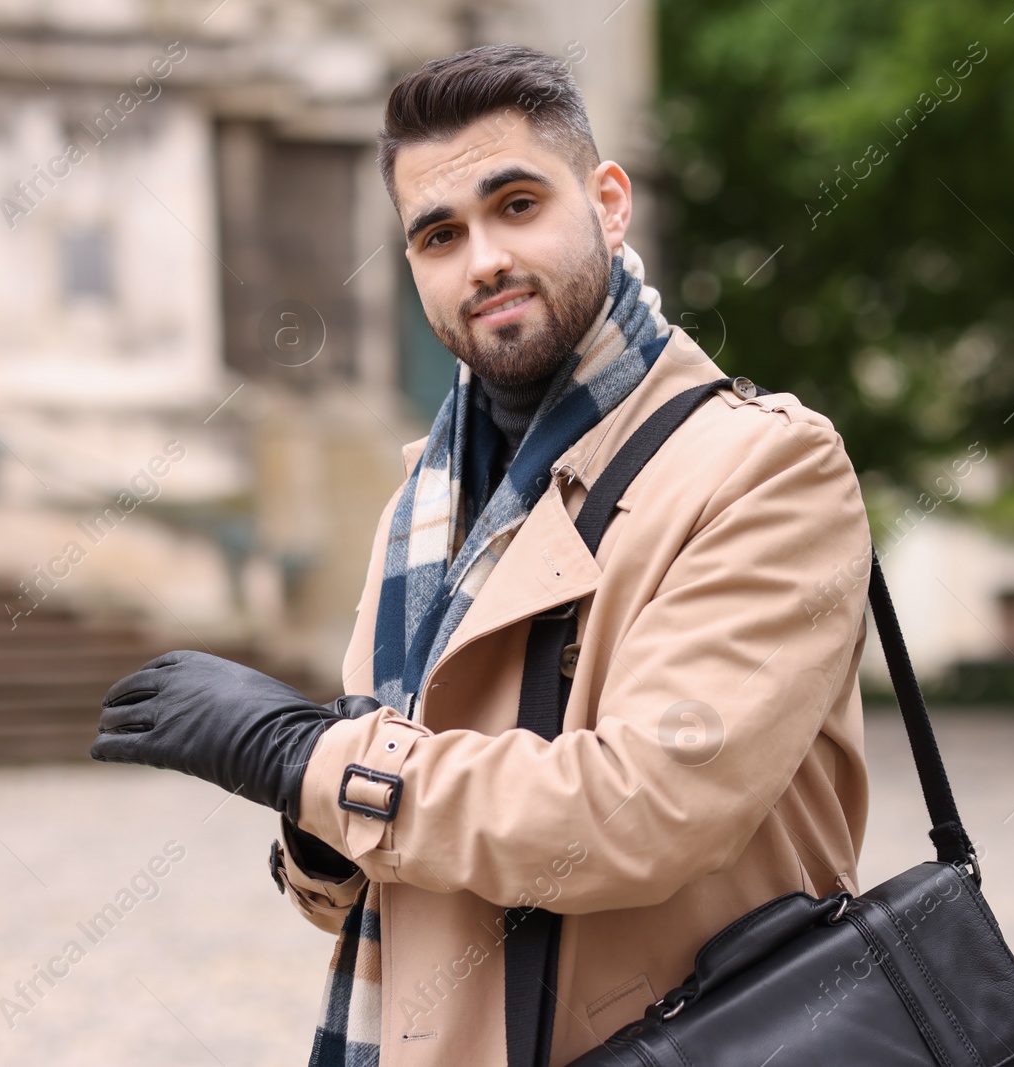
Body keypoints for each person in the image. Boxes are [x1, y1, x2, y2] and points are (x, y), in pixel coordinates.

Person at [92, 43, 872, 1067]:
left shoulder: (764, 467)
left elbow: (644, 812)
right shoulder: (425, 502)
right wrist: (315, 826)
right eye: (440, 234)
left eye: (516, 205)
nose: (484, 259)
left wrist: (304, 753)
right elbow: (395, 874)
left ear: (607, 201)